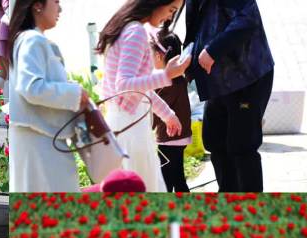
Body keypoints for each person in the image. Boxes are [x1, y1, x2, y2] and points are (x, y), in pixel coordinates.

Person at [96, 0, 190, 192]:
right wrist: (166, 75)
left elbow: (139, 88)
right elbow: (124, 85)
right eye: (171, 10)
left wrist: (167, 114)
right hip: (131, 129)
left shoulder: (125, 29)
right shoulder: (136, 31)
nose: (170, 17)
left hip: (122, 125)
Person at [184, 0, 274, 192]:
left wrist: (213, 50)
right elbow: (194, 24)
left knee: (242, 145)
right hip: (217, 80)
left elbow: (247, 20)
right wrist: (188, 54)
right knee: (215, 140)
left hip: (246, 77)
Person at [8, 0, 90, 192]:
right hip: (41, 142)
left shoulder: (25, 39)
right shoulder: (32, 40)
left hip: (39, 138)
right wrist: (76, 93)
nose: (60, 9)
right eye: (56, 2)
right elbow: (31, 87)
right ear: (37, 5)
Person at [150, 24, 192, 192]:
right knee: (177, 176)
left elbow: (155, 108)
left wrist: (147, 129)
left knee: (167, 179)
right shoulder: (179, 78)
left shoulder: (165, 82)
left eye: (151, 54)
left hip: (170, 137)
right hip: (179, 136)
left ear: (160, 55)